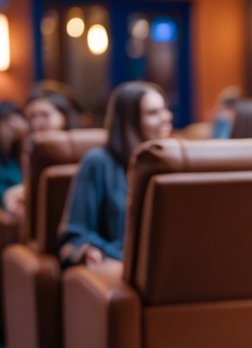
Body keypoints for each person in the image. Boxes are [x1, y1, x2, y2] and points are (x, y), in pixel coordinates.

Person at [57, 81, 173, 267]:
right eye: (153, 113)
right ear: (129, 122)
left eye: (165, 109)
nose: (166, 117)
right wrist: (92, 250)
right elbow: (76, 233)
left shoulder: (173, 160)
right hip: (119, 264)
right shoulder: (98, 161)